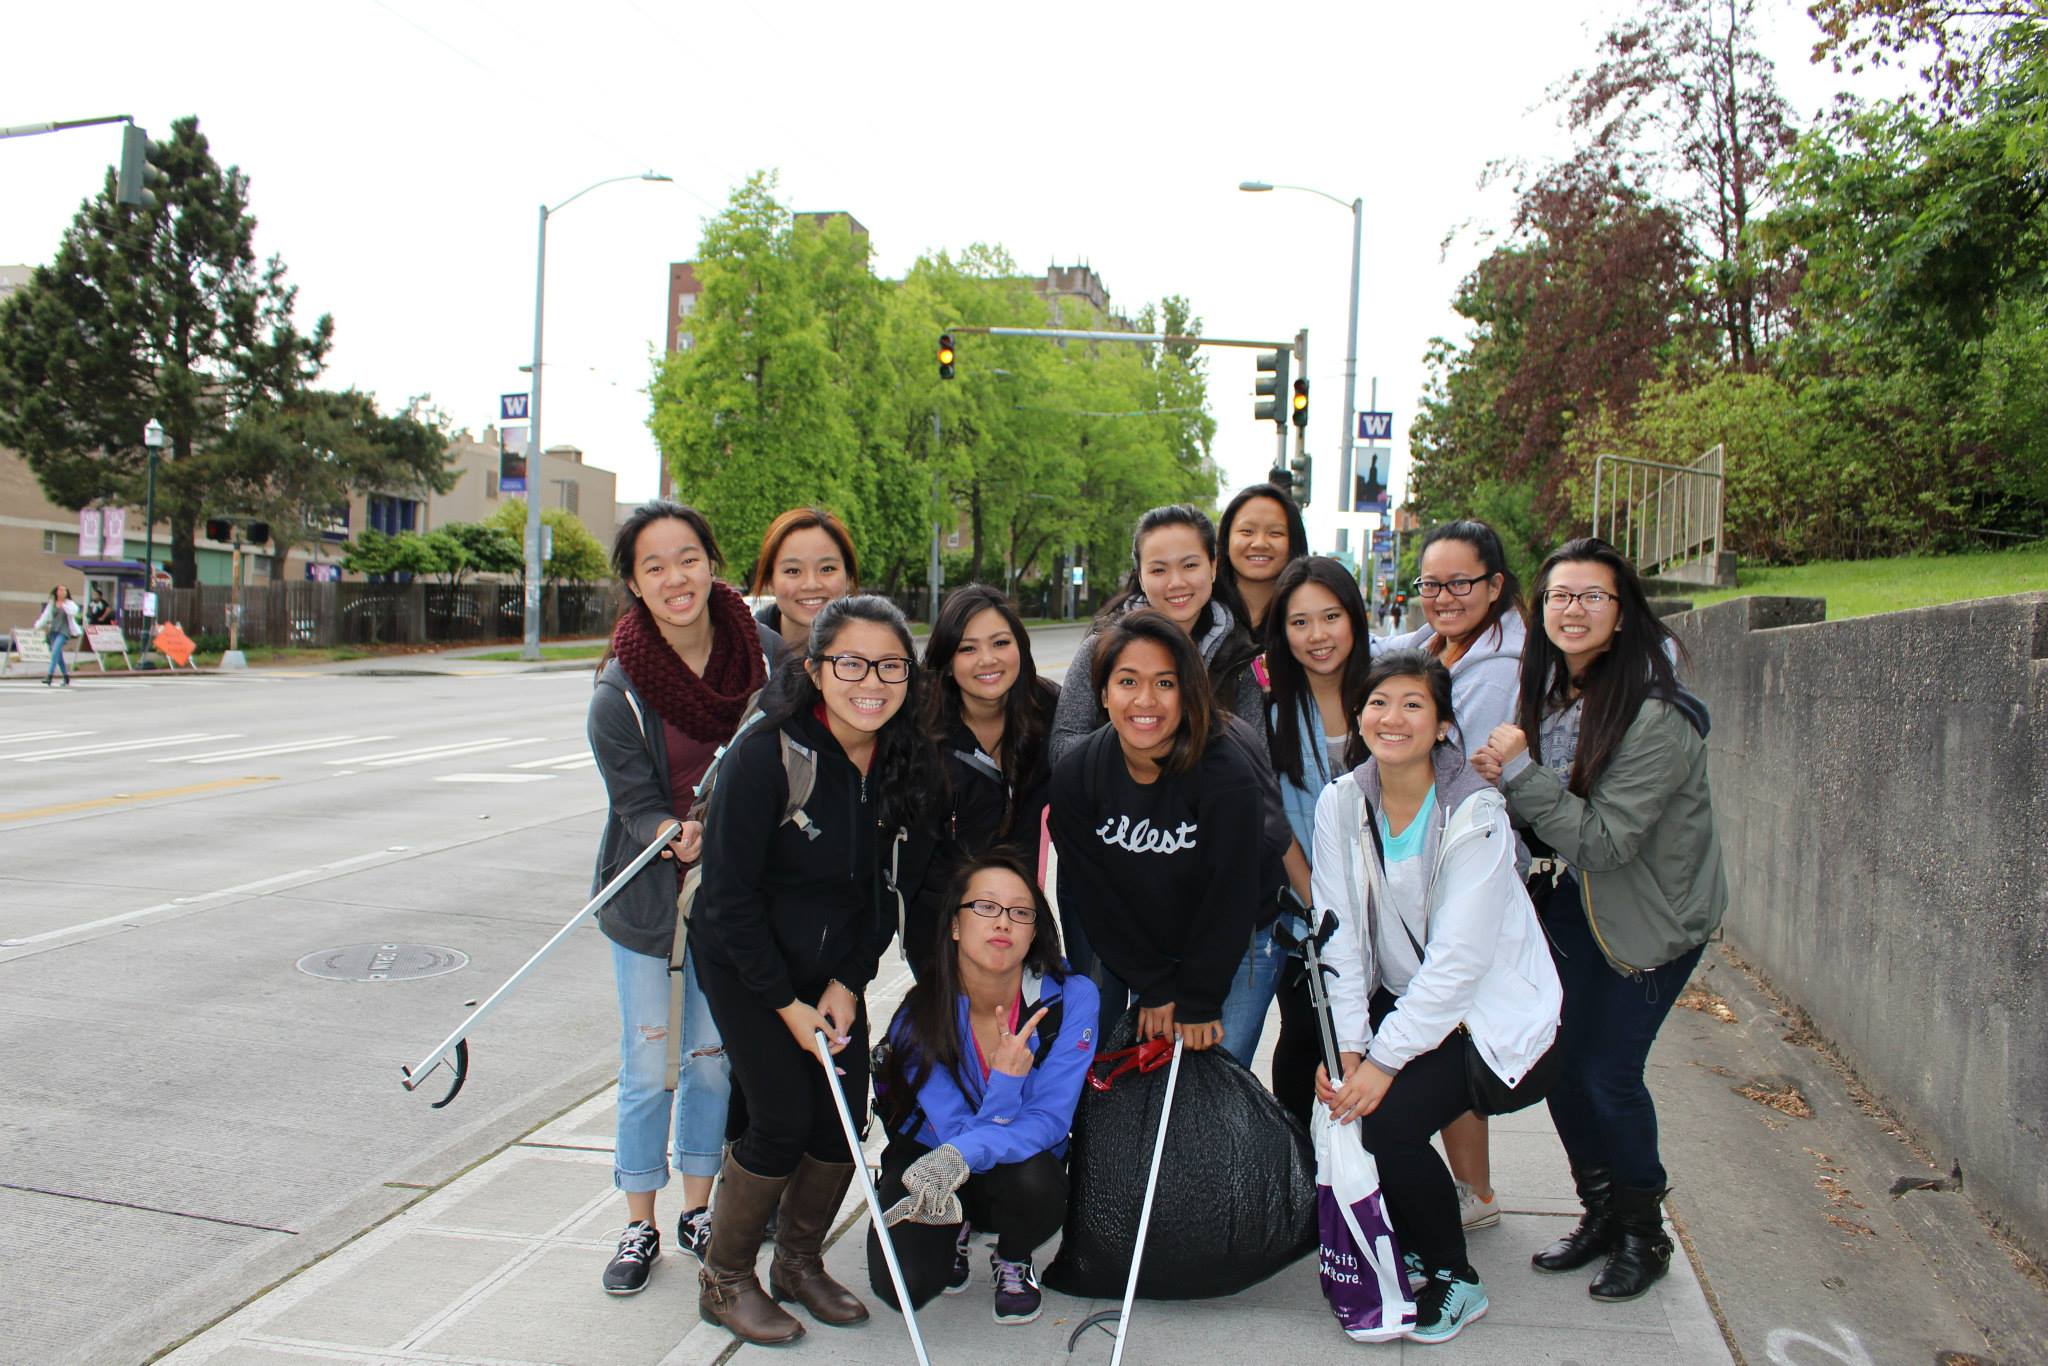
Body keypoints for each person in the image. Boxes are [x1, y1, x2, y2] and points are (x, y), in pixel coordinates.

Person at [1472, 537, 1725, 1304]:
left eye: (1591, 596)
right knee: (1559, 1069)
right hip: (1583, 906)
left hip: (1650, 923)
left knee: (1606, 1076)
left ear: (1622, 615)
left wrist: (1518, 774)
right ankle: (1602, 1212)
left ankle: (1646, 1234)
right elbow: (1556, 827)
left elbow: (1606, 841)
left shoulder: (1654, 716)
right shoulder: (1559, 696)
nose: (1571, 609)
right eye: (1558, 596)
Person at [689, 595, 945, 1346]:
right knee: (778, 1118)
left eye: (891, 665)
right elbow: (729, 900)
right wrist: (784, 1004)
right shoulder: (768, 754)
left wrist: (845, 982)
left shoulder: (906, 758)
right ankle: (725, 1277)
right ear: (816, 668)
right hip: (746, 963)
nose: (872, 680)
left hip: (830, 972)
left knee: (839, 1122)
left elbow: (885, 893)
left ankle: (797, 1264)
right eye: (852, 663)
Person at [1314, 648, 1563, 1345]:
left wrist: (1382, 1063)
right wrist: (1350, 1048)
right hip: (1416, 1012)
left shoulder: (1475, 809)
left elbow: (1458, 963)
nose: (1393, 718)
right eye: (1379, 703)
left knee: (1386, 1118)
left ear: (1444, 724)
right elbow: (1337, 938)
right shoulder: (1341, 801)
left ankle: (1457, 1278)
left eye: (1413, 704)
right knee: (1358, 1105)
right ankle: (1421, 1236)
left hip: (1489, 1018)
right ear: (1358, 715)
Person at [585, 501, 777, 1295]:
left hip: (732, 900)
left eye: (688, 558)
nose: (676, 577)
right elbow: (635, 804)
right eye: (654, 565)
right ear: (633, 581)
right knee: (648, 1065)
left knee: (708, 1063)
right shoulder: (618, 691)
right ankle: (639, 1222)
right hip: (649, 906)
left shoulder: (760, 658)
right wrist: (669, 829)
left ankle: (699, 1210)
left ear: (711, 562)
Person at [1047, 505, 1301, 1043]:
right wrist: (1140, 782)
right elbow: (1065, 743)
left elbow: (1250, 781)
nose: (1175, 582)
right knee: (1105, 1044)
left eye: (1189, 565)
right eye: (1158, 568)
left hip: (1205, 876)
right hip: (1115, 866)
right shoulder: (1104, 645)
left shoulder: (1239, 656)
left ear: (1213, 566)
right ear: (1139, 572)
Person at [869, 852, 1099, 1325]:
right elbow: (952, 1128)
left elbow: (1051, 1121)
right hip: (934, 1153)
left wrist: (1007, 1081)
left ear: (1035, 932)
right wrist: (997, 1101)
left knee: (1038, 1180)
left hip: (1017, 1164)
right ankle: (957, 1224)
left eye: (1021, 912)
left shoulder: (1072, 998)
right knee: (902, 1287)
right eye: (986, 907)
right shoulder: (918, 1016)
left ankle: (1013, 1256)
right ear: (955, 926)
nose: (1004, 923)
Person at [1377, 519, 1527, 1233]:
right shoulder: (1429, 645)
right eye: (1431, 584)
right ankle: (1475, 1192)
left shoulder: (1500, 669)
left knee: (1452, 1031)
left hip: (1462, 867)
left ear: (1495, 585)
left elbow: (1457, 772)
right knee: (1446, 1034)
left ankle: (1473, 1191)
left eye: (1461, 583)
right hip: (1424, 871)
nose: (1443, 597)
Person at [1260, 557, 1374, 1120]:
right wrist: (1317, 903)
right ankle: (1300, 1172)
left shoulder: (1388, 694)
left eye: (1330, 616)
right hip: (1308, 916)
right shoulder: (1272, 709)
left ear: (1354, 617)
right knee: (1307, 1038)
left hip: (1389, 910)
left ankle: (1368, 1181)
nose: (1317, 635)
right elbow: (1273, 818)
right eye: (1300, 622)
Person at [911, 585, 1060, 977]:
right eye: (967, 648)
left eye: (1000, 642)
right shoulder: (918, 726)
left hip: (1018, 920)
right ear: (946, 659)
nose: (987, 660)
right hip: (939, 925)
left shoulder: (1049, 713)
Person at [748, 507, 856, 662]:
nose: (811, 584)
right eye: (793, 571)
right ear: (769, 581)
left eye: (827, 569)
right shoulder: (741, 658)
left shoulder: (883, 654)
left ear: (849, 576)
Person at [1216, 483, 1309, 634]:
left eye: (1275, 533)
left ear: (1294, 542)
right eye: (1247, 531)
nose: (1260, 543)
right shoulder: (1199, 611)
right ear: (1226, 541)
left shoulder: (1310, 612)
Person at [35, 586, 80, 686]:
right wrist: (37, 626)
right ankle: (66, 676)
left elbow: (73, 611)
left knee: (55, 652)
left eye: (64, 590)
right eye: (60, 590)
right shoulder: (52, 603)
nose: (62, 592)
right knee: (58, 657)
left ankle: (49, 676)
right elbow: (45, 616)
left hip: (63, 631)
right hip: (53, 631)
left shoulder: (69, 604)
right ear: (56, 592)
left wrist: (63, 604)